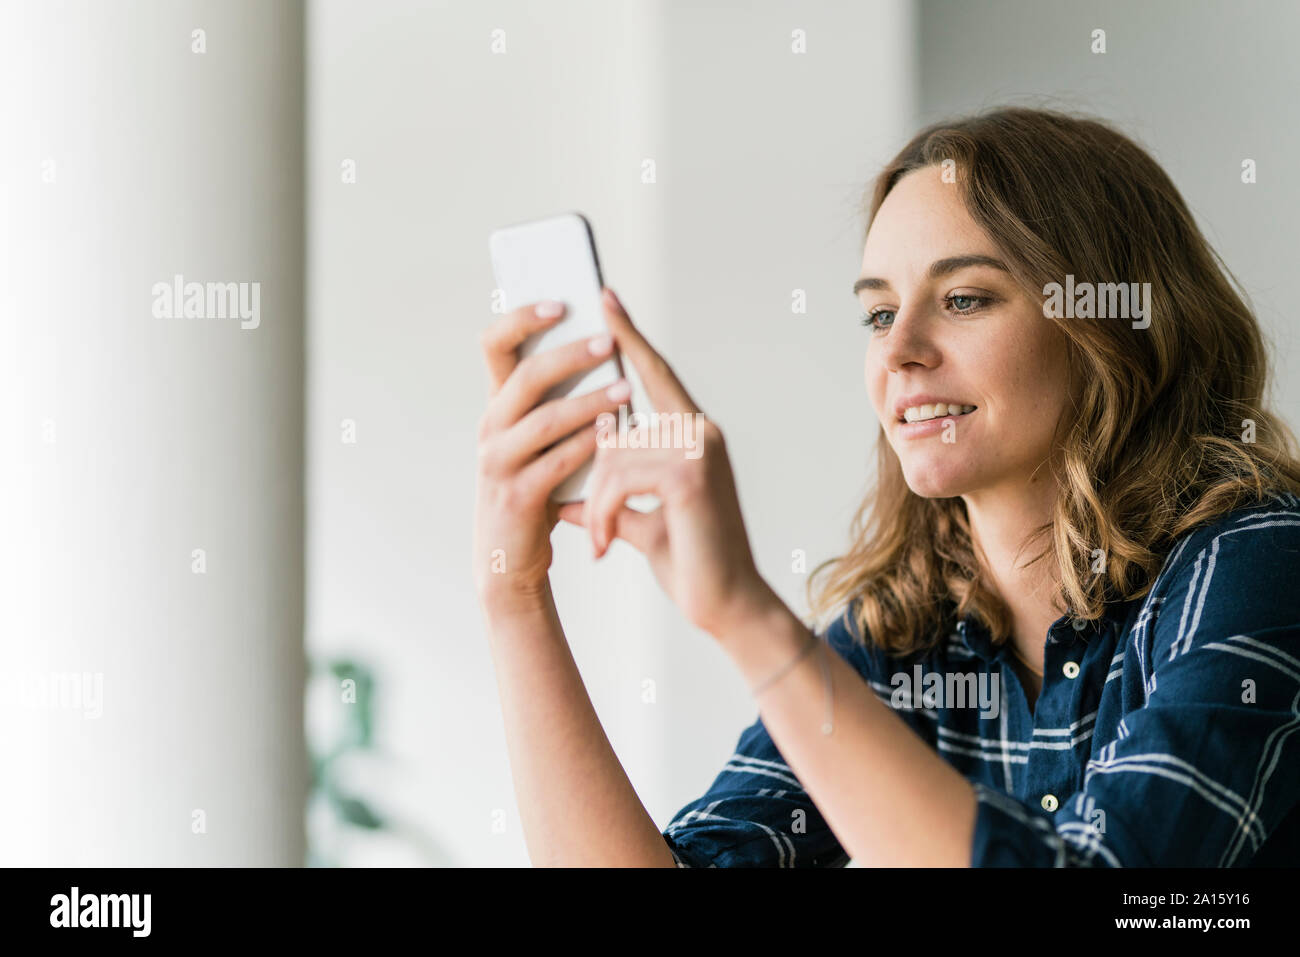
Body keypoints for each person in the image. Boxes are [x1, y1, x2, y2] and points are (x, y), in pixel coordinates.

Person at [472, 107, 1300, 867]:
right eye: (877, 313)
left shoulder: (1259, 562)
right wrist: (515, 595)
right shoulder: (902, 637)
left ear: (1108, 328)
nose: (899, 348)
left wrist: (744, 612)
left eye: (965, 298)